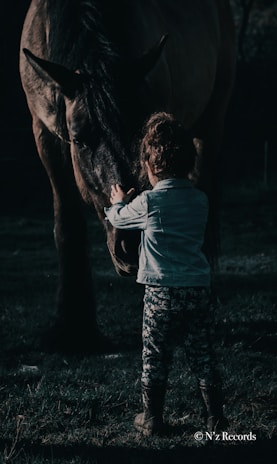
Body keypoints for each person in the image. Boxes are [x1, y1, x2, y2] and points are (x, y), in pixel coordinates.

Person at [104, 111, 229, 436]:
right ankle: (215, 418)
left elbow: (118, 220)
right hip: (197, 289)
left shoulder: (148, 202)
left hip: (160, 292)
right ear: (189, 162)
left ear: (148, 165)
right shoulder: (200, 201)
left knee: (155, 353)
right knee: (202, 352)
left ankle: (152, 418)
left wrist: (117, 202)